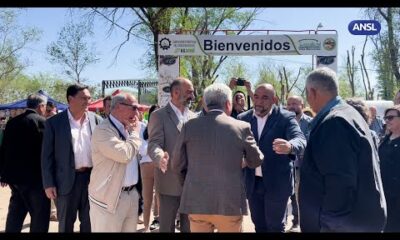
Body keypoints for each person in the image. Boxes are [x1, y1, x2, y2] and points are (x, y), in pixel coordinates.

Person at [299, 67, 386, 232]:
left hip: (342, 226)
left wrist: (329, 227)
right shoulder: (349, 114)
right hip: (356, 221)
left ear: (312, 91)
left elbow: (339, 183)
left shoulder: (335, 122)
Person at [170, 83, 264, 232]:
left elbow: (176, 164)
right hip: (230, 203)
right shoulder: (242, 127)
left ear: (205, 105)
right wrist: (242, 162)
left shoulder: (188, 126)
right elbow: (256, 159)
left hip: (197, 201)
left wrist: (189, 183)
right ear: (228, 104)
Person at [237, 84, 306, 233]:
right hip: (253, 183)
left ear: (274, 99)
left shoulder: (285, 117)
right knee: (259, 225)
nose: (259, 101)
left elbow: (300, 139)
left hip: (277, 183)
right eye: (256, 97)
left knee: (275, 227)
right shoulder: (243, 118)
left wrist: (290, 146)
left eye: (265, 97)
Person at [41, 83, 103, 232]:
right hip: (65, 181)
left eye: (89, 98)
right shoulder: (54, 123)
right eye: (83, 98)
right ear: (70, 99)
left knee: (90, 223)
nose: (88, 101)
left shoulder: (97, 121)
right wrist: (48, 183)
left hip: (92, 180)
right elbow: (46, 156)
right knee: (66, 225)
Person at [148, 77, 196, 232]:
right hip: (169, 181)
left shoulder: (195, 117)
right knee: (167, 226)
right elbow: (154, 143)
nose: (192, 96)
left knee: (189, 227)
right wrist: (159, 157)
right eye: (189, 92)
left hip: (191, 182)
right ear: (176, 92)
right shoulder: (158, 115)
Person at [88, 93, 142, 232]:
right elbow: (124, 154)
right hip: (109, 198)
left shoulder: (128, 127)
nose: (137, 112)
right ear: (119, 106)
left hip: (131, 195)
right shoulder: (103, 130)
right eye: (134, 107)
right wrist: (135, 133)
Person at [0, 94, 49, 232]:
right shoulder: (42, 122)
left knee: (15, 214)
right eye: (45, 107)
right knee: (40, 217)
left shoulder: (12, 122)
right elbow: (46, 154)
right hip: (36, 180)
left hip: (15, 179)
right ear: (41, 106)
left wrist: (3, 174)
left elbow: (4, 149)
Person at [286, 95, 313, 232]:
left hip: (305, 165)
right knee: (291, 195)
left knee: (304, 195)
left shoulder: (310, 123)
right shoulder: (283, 121)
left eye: (295, 103)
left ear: (302, 105)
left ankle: (305, 223)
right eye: (289, 104)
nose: (291, 106)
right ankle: (296, 222)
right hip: (288, 165)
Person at [379, 105, 400, 232]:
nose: (387, 120)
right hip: (385, 193)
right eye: (386, 118)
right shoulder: (384, 140)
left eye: (391, 117)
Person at [140, 104, 160, 232]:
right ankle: (146, 227)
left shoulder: (163, 129)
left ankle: (159, 223)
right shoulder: (143, 128)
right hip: (146, 167)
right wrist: (155, 149)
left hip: (159, 166)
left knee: (161, 198)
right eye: (154, 113)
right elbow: (142, 150)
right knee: (147, 200)